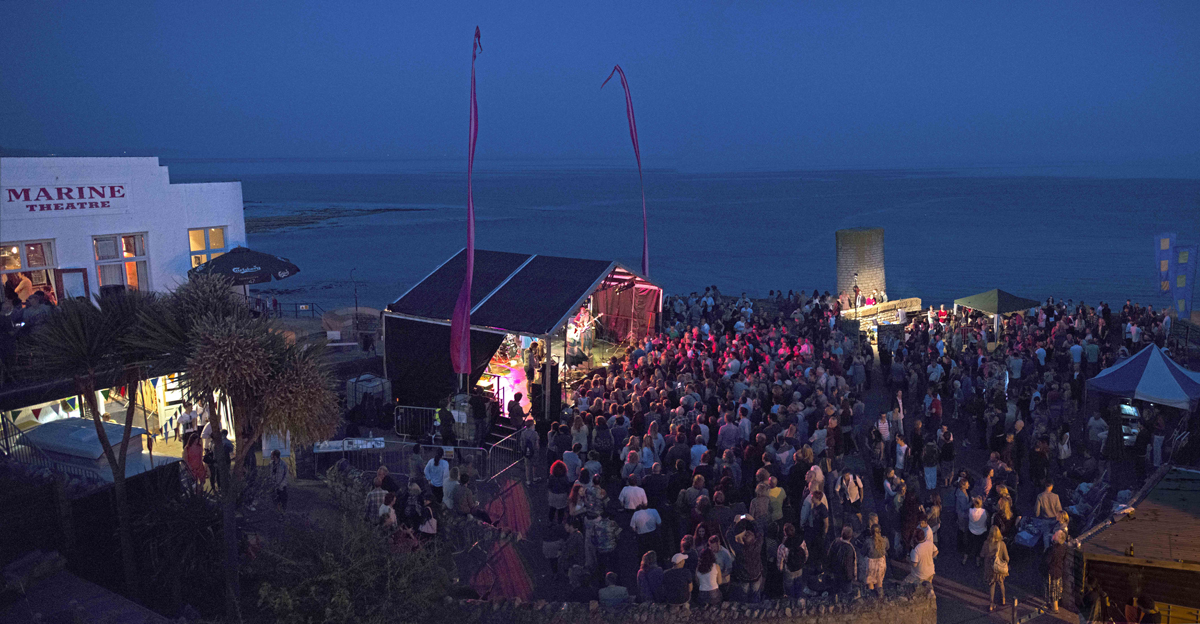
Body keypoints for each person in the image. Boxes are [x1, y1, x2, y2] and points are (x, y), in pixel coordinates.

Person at [980, 526, 1009, 611]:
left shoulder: (986, 543)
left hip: (990, 568)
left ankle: (991, 604)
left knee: (992, 585)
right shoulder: (1002, 544)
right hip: (999, 568)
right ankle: (1003, 599)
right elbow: (1007, 558)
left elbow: (982, 554)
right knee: (1001, 583)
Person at [826, 526, 857, 594]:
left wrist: (829, 568)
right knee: (847, 592)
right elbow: (848, 565)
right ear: (851, 537)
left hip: (835, 571)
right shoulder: (849, 548)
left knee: (836, 590)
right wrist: (851, 577)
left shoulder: (836, 541)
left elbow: (829, 554)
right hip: (845, 576)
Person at [1043, 530, 1067, 614]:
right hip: (1059, 570)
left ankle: (1054, 609)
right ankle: (1054, 607)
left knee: (1052, 591)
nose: (1054, 535)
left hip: (1052, 572)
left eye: (1055, 534)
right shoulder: (1064, 547)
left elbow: (1046, 560)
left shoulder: (1053, 549)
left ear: (1058, 538)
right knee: (1056, 590)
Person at [863, 524, 889, 598]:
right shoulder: (885, 539)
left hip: (871, 563)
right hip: (881, 562)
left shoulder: (868, 541)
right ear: (880, 531)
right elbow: (887, 547)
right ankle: (880, 597)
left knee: (870, 581)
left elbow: (863, 552)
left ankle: (871, 598)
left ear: (871, 532)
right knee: (879, 581)